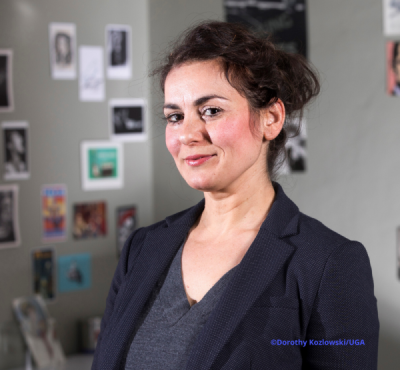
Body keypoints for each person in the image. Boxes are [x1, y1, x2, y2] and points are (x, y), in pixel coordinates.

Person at [92, 21, 379, 370]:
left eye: (211, 110)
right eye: (175, 116)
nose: (187, 134)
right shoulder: (141, 249)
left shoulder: (327, 263)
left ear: (271, 118)